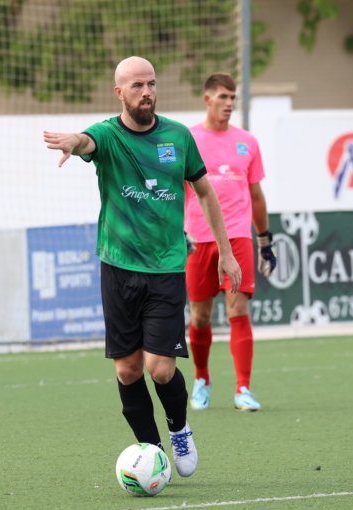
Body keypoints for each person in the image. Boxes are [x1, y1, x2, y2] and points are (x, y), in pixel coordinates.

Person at [43, 56, 241, 478]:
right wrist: (71, 142)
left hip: (167, 266)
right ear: (120, 93)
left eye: (151, 84)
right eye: (137, 86)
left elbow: (205, 193)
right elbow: (85, 142)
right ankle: (152, 453)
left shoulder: (178, 136)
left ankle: (180, 428)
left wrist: (225, 251)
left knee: (160, 366)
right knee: (128, 369)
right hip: (117, 268)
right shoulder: (108, 135)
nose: (147, 92)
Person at [184, 72, 276, 412]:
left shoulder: (248, 142)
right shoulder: (188, 138)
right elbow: (178, 190)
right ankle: (202, 378)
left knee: (238, 308)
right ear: (207, 99)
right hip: (198, 238)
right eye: (222, 97)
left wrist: (265, 240)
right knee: (200, 315)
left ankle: (243, 389)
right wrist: (178, 229)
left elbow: (257, 195)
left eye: (232, 98)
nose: (229, 103)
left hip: (237, 236)